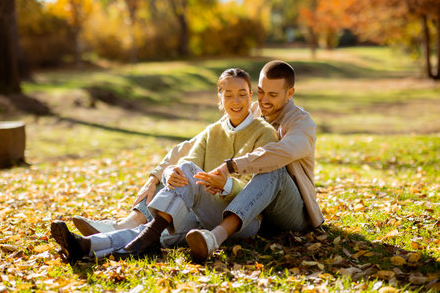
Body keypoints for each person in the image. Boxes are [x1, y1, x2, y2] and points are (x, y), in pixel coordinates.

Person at [72, 60, 324, 262]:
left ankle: (215, 237)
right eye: (260, 92)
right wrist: (158, 174)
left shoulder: (301, 124)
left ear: (290, 93)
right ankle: (100, 241)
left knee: (272, 169)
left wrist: (229, 168)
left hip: (287, 210)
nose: (263, 100)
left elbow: (279, 153)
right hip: (244, 205)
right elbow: (191, 146)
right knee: (178, 187)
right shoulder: (250, 108)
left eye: (272, 94)